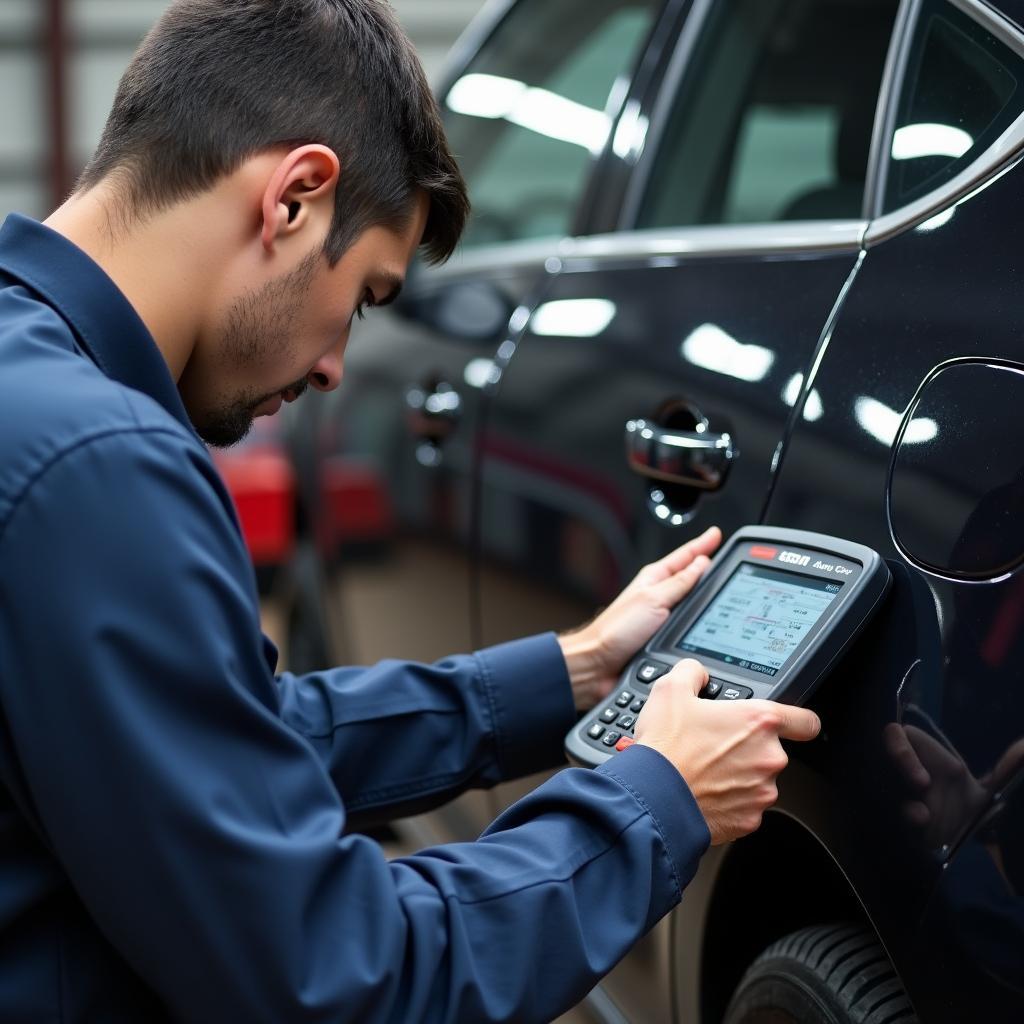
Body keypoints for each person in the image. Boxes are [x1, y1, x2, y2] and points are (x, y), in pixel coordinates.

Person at [0, 1, 821, 1020]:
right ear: (295, 198)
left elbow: (219, 747)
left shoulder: (28, 384)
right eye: (365, 293)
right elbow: (336, 968)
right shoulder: (102, 470)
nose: (341, 365)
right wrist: (653, 803)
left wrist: (570, 674)